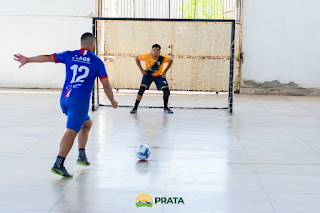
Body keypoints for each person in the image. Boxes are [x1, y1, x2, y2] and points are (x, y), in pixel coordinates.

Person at [13, 32, 118, 178]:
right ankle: (58, 164)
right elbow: (105, 84)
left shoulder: (70, 54)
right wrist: (112, 100)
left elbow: (48, 57)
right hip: (79, 101)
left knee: (87, 124)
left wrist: (28, 59)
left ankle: (81, 155)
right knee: (71, 131)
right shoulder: (97, 62)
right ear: (92, 44)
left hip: (65, 99)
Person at [130, 44, 174, 114]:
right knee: (141, 89)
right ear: (151, 51)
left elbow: (171, 60)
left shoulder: (162, 58)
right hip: (148, 75)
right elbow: (136, 58)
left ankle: (166, 108)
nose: (155, 52)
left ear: (159, 52)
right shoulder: (147, 56)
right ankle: (135, 107)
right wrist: (142, 70)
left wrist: (165, 72)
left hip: (159, 76)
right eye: (154, 50)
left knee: (166, 91)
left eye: (157, 50)